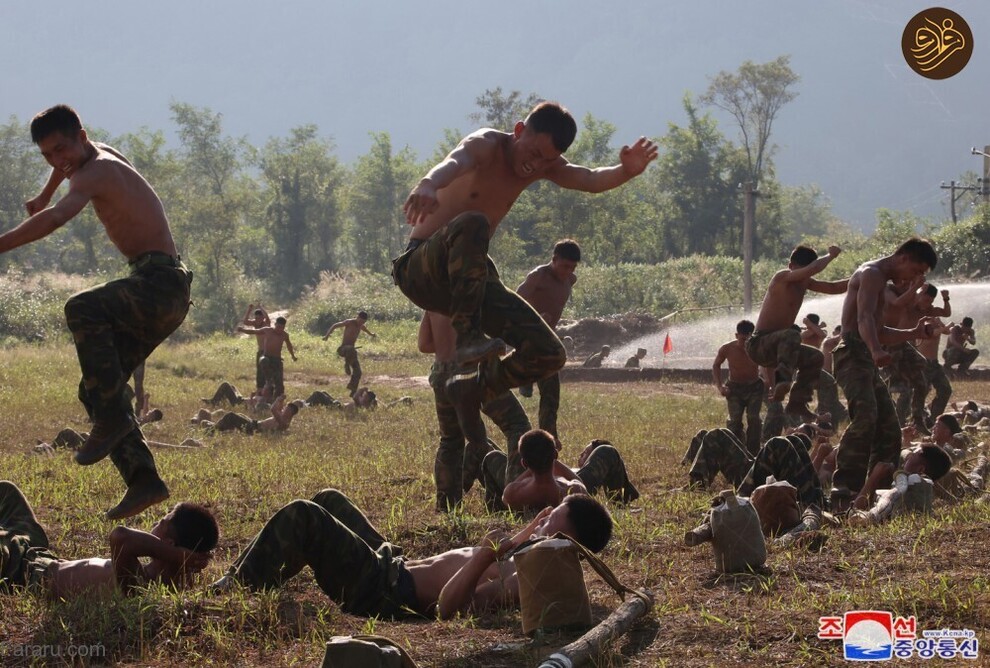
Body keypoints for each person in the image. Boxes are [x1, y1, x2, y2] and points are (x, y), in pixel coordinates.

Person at [392, 101, 657, 446]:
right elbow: (454, 161)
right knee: (474, 222)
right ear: (519, 131)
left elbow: (588, 179)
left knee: (550, 352)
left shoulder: (541, 166)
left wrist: (626, 172)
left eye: (546, 160)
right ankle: (467, 340)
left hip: (469, 277)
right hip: (421, 265)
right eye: (532, 151)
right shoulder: (487, 145)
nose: (535, 163)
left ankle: (473, 387)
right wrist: (428, 183)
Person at [1, 105, 193, 519]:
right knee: (95, 390)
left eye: (62, 149)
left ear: (82, 136)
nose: (57, 161)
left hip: (159, 285)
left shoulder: (96, 172)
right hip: (164, 287)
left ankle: (110, 421)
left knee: (82, 307)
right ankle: (144, 480)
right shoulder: (93, 155)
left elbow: (55, 220)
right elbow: (66, 171)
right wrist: (45, 190)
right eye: (47, 155)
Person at [209, 488, 613, 621]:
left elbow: (448, 609)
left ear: (567, 545)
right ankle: (248, 573)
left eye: (550, 523)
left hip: (382, 589)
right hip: (392, 564)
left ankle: (234, 588)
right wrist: (536, 525)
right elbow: (536, 533)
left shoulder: (525, 579)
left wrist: (485, 555)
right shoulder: (532, 548)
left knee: (305, 515)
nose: (539, 524)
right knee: (328, 500)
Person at [830, 238, 938, 513]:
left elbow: (880, 330)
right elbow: (863, 319)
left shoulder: (883, 283)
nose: (915, 278)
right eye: (916, 270)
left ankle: (878, 487)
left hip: (865, 356)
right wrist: (876, 349)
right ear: (903, 258)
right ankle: (844, 490)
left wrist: (914, 333)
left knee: (889, 427)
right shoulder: (871, 274)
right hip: (852, 354)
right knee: (865, 416)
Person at [0, 480, 218, 596]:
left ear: (169, 544)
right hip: (37, 553)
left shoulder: (139, 584)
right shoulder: (154, 574)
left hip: (20, 571)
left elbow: (121, 537)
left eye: (161, 522)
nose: (153, 525)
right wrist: (179, 557)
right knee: (7, 491)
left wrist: (175, 556)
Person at [419, 311, 531, 511]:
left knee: (450, 441)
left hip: (442, 373)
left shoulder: (432, 300)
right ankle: (519, 498)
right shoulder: (474, 293)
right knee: (516, 425)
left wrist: (450, 348)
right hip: (476, 372)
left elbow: (424, 345)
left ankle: (447, 506)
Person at [747, 245, 848, 422]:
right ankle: (783, 380)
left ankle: (797, 402)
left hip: (777, 347)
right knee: (792, 334)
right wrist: (831, 256)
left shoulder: (806, 282)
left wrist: (861, 276)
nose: (804, 277)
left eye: (807, 275)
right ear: (791, 265)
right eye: (803, 272)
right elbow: (813, 268)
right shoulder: (782, 277)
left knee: (815, 357)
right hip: (759, 344)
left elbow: (834, 288)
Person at [515, 239, 581, 438]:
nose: (567, 271)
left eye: (572, 267)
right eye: (564, 266)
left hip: (548, 341)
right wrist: (535, 318)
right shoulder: (538, 277)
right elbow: (514, 303)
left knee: (551, 395)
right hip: (529, 338)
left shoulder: (570, 279)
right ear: (554, 259)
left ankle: (548, 437)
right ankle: (525, 375)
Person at [481, 431, 639, 512]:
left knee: (492, 456)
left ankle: (493, 511)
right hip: (559, 483)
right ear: (555, 455)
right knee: (606, 451)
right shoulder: (571, 489)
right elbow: (581, 484)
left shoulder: (512, 493)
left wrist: (532, 467)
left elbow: (515, 483)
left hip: (525, 491)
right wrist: (555, 463)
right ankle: (620, 505)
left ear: (524, 463)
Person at [894, 283, 953, 426]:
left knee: (944, 389)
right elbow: (932, 333)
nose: (927, 304)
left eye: (930, 302)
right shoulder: (907, 305)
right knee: (911, 392)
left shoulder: (930, 313)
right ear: (919, 293)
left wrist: (945, 299)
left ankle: (932, 421)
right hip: (907, 355)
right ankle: (900, 421)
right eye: (926, 300)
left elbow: (946, 314)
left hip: (930, 362)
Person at [712, 320, 764, 455]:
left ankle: (753, 452)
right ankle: (734, 451)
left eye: (749, 339)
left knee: (753, 418)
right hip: (734, 388)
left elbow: (769, 363)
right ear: (736, 335)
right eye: (742, 339)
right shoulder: (727, 348)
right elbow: (716, 365)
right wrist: (720, 387)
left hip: (754, 387)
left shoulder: (758, 347)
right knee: (734, 421)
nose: (745, 343)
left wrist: (770, 382)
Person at [237, 316, 297, 399]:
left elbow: (289, 345)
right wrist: (243, 330)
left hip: (277, 360)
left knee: (280, 386)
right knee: (263, 360)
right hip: (266, 357)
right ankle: (269, 380)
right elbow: (254, 331)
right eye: (278, 327)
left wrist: (293, 356)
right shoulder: (267, 330)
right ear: (275, 324)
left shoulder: (285, 335)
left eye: (282, 328)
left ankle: (275, 401)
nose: (280, 329)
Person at [324, 311, 377, 397]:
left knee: (358, 372)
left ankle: (353, 391)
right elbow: (335, 325)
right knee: (350, 348)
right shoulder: (349, 322)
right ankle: (346, 365)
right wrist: (327, 336)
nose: (361, 323)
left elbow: (367, 331)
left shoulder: (361, 326)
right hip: (343, 349)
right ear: (357, 317)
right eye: (360, 321)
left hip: (352, 352)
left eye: (363, 322)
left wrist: (372, 334)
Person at [199, 395, 301, 434]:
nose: (283, 410)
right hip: (254, 424)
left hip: (254, 428)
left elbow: (273, 409)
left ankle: (211, 431)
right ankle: (217, 428)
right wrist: (281, 401)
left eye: (286, 409)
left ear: (290, 412)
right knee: (238, 415)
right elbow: (278, 408)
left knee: (231, 416)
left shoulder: (283, 421)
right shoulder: (283, 418)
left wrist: (278, 399)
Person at [241, 305, 271, 392]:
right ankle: (260, 389)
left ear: (262, 317)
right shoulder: (255, 323)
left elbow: (268, 318)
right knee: (259, 371)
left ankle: (268, 389)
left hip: (267, 352)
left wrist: (261, 307)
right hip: (260, 351)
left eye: (259, 318)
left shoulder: (266, 324)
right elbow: (245, 322)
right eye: (256, 318)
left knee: (267, 371)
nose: (258, 320)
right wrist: (249, 309)